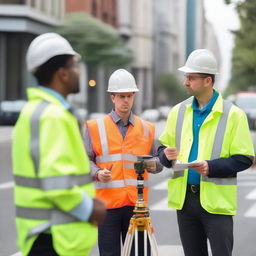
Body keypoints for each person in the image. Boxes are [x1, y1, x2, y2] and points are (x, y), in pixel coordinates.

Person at [12, 33, 106, 256]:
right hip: (55, 239)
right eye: (74, 66)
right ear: (62, 74)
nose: (78, 72)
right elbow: (56, 182)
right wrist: (90, 208)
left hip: (42, 234)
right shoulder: (54, 116)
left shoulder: (31, 112)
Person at [157, 49, 255, 256]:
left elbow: (245, 158)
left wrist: (211, 167)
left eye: (191, 78)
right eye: (186, 77)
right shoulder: (178, 111)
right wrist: (166, 155)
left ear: (207, 81)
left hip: (216, 203)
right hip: (185, 202)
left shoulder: (233, 115)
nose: (186, 82)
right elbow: (161, 149)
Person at [84, 69, 162, 256]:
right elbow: (84, 162)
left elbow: (158, 163)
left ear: (133, 96)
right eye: (121, 96)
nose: (125, 100)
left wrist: (156, 164)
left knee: (139, 253)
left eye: (129, 96)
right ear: (113, 97)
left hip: (137, 205)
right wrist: (97, 173)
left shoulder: (147, 128)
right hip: (108, 206)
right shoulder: (94, 127)